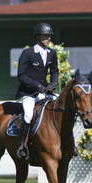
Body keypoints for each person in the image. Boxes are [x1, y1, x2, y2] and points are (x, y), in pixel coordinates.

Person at [15, 23, 59, 160]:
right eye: (46, 36)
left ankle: (69, 143)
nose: (48, 38)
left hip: (45, 92)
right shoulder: (27, 53)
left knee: (62, 106)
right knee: (28, 115)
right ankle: (22, 145)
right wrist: (38, 86)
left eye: (49, 36)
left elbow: (54, 71)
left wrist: (53, 83)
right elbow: (21, 75)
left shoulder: (52, 53)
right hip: (28, 93)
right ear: (38, 36)